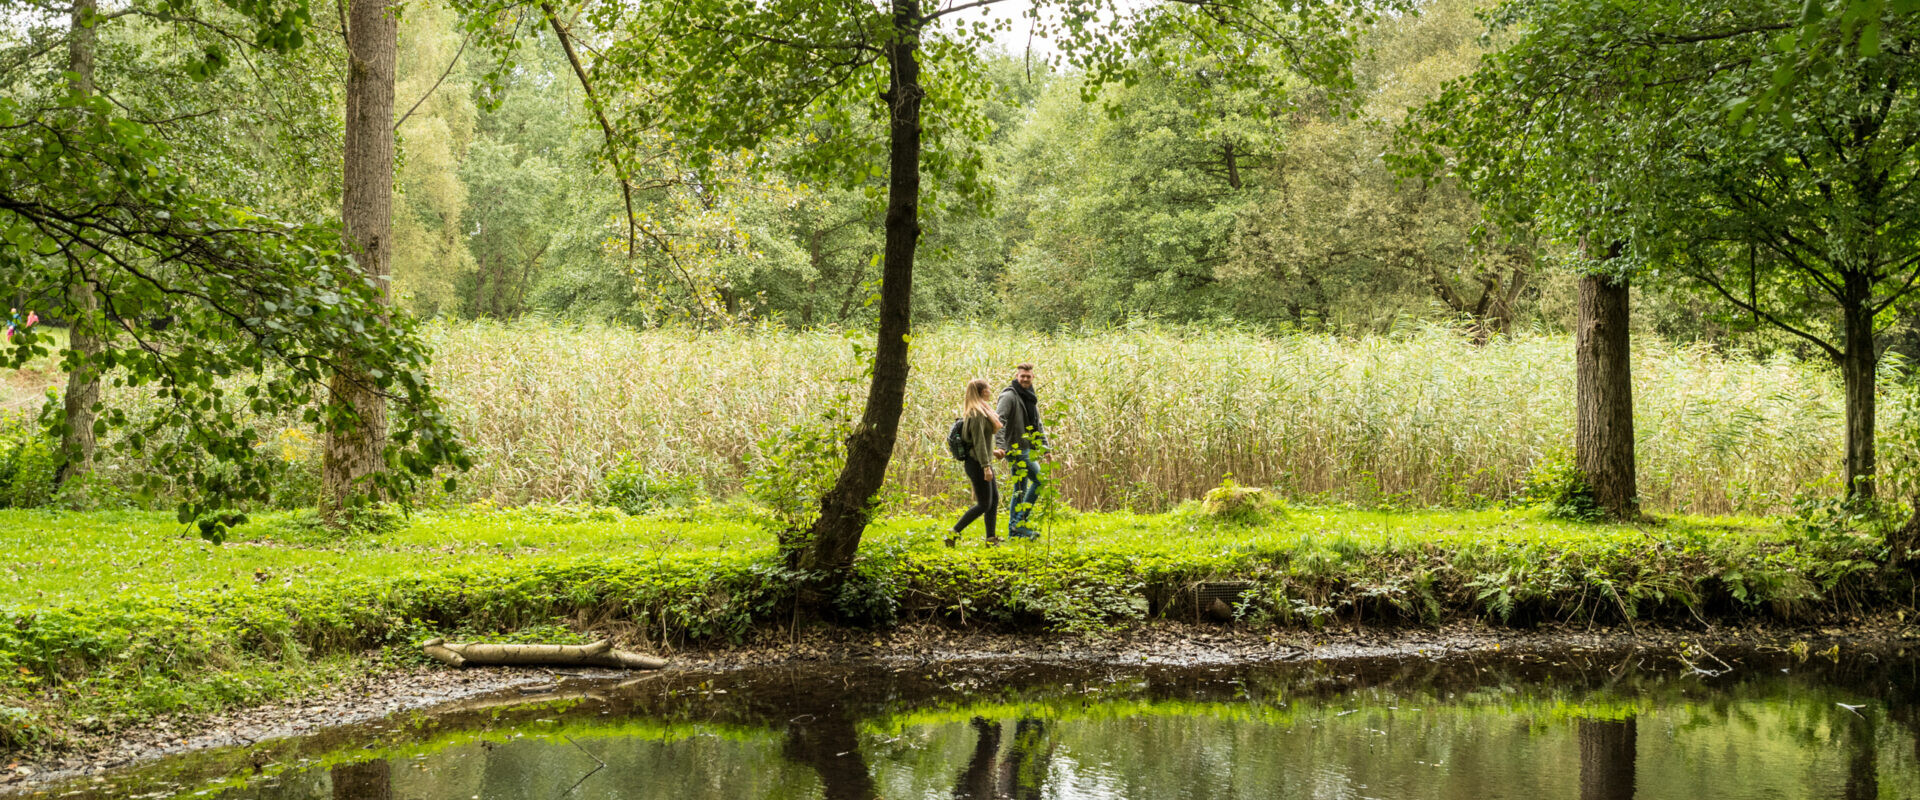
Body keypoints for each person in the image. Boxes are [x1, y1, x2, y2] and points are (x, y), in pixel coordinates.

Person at [994, 363, 1046, 539]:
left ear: (1033, 377)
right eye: (1022, 376)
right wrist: (1001, 446)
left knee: (1020, 489)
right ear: (1017, 376)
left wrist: (1045, 448)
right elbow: (999, 421)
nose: (1025, 379)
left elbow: (1038, 423)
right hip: (1015, 449)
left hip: (1026, 448)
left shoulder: (1029, 396)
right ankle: (1019, 523)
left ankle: (1014, 532)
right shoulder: (1009, 395)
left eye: (1028, 376)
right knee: (1040, 480)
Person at [949, 378, 1002, 546]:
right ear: (981, 392)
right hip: (977, 463)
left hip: (980, 460)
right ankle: (953, 532)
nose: (990, 392)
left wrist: (992, 452)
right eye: (988, 389)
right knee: (984, 504)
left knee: (993, 500)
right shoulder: (977, 413)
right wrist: (986, 467)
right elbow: (978, 442)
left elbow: (976, 441)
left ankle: (991, 538)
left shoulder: (980, 411)